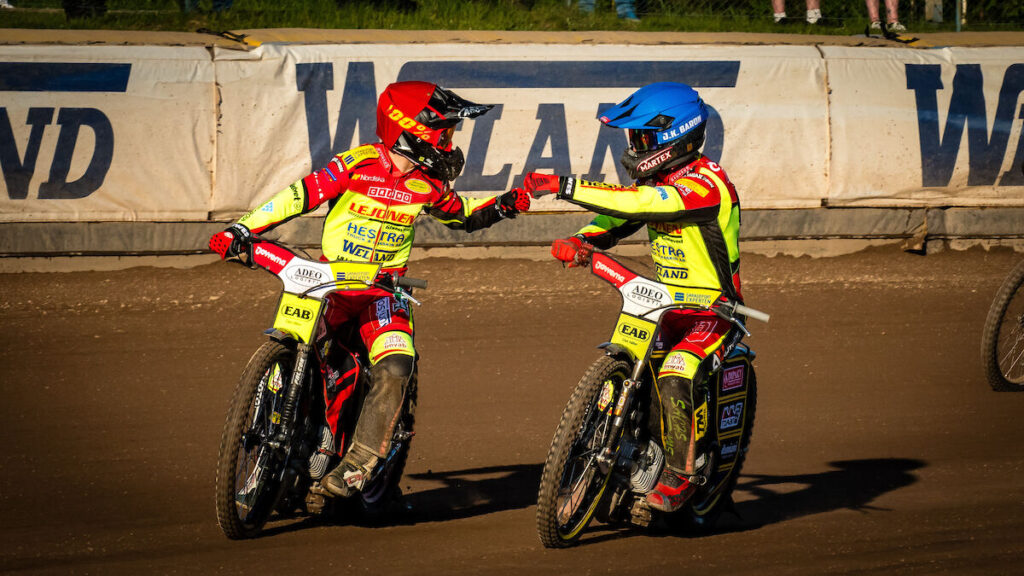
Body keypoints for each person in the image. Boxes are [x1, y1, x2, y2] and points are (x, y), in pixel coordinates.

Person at [209, 81, 531, 499]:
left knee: (397, 366)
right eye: (444, 133)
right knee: (302, 351)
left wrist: (508, 203)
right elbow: (299, 196)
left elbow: (464, 217)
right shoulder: (355, 164)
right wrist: (242, 229)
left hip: (384, 294)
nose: (449, 144)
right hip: (329, 286)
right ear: (409, 128)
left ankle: (359, 465)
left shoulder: (429, 183)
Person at [522, 82, 742, 514]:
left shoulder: (707, 183)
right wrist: (581, 239)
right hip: (662, 307)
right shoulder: (661, 179)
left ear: (672, 137)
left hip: (712, 312)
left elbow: (647, 203)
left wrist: (564, 185)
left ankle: (681, 476)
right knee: (632, 375)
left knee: (677, 372)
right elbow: (618, 218)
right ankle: (614, 462)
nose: (633, 148)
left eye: (640, 138)